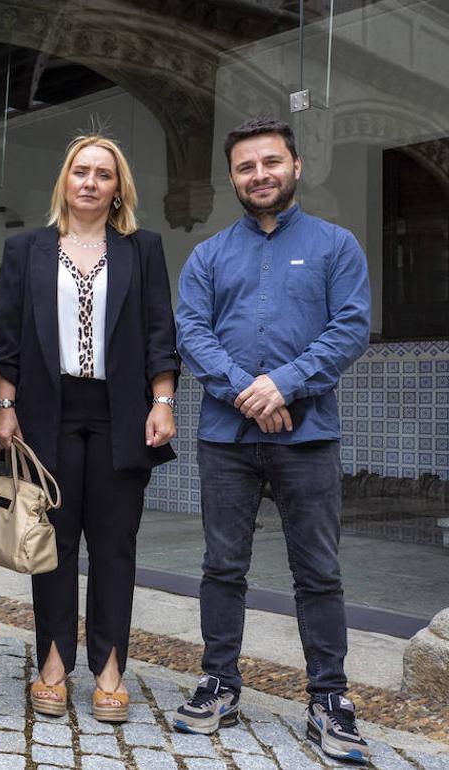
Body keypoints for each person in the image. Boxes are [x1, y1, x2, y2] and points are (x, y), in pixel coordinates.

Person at [173, 118, 371, 763]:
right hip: (226, 441)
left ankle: (328, 698)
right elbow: (192, 334)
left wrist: (282, 386)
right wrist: (246, 393)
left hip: (307, 436)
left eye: (270, 163)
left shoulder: (337, 246)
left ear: (295, 166)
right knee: (222, 567)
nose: (259, 175)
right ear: (233, 178)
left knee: (318, 572)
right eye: (245, 167)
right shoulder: (207, 256)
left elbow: (349, 329)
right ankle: (219, 682)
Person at [0, 134, 178, 723]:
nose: (91, 182)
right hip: (49, 413)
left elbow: (157, 332)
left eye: (104, 173)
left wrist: (163, 400)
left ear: (119, 187)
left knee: (115, 545)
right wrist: (3, 405)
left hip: (121, 413)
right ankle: (52, 663)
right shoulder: (26, 250)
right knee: (54, 544)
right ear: (64, 182)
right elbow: (9, 336)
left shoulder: (142, 249)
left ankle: (110, 669)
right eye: (81, 171)